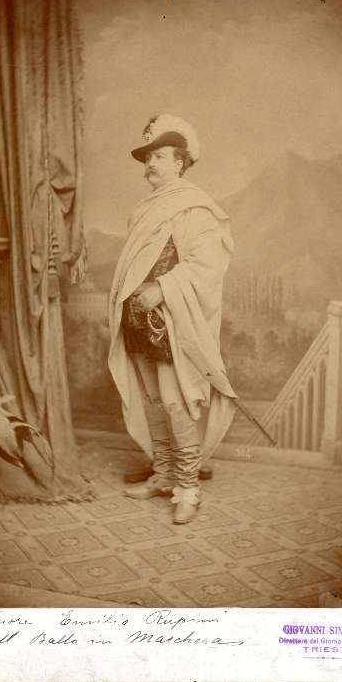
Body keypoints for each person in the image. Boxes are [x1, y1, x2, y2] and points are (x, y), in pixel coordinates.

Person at [108, 114, 237, 524]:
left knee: (175, 402)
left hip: (171, 319)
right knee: (151, 400)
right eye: (148, 157)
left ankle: (188, 488)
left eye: (159, 156)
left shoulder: (194, 208)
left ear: (180, 162)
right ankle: (163, 474)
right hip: (137, 316)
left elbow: (207, 265)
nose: (150, 163)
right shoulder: (146, 209)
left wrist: (162, 289)